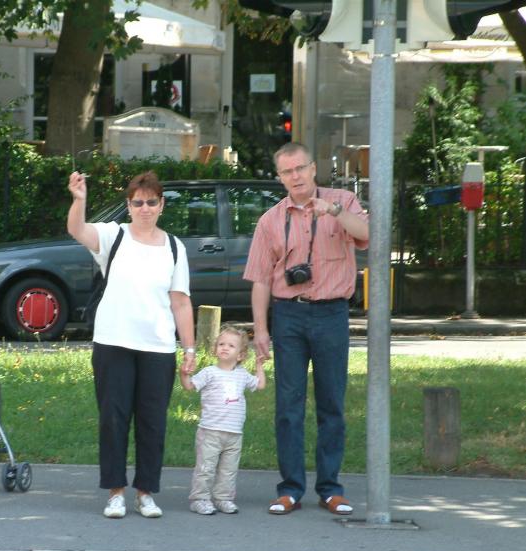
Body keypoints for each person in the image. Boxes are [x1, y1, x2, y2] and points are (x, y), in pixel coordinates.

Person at [243, 142, 369, 516]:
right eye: (287, 171)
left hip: (332, 314)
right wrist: (261, 330)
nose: (295, 176)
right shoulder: (270, 220)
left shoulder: (342, 200)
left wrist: (333, 212)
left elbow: (367, 233)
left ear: (313, 169)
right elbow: (260, 279)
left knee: (332, 403)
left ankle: (330, 488)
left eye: (300, 168)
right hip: (289, 316)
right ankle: (290, 489)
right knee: (288, 406)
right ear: (279, 177)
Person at [67, 170, 195, 519]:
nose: (145, 208)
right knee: (114, 418)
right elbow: (77, 230)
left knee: (153, 422)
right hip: (113, 342)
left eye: (151, 202)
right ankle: (115, 493)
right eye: (138, 203)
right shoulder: (115, 236)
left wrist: (189, 349)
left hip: (158, 348)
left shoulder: (174, 247)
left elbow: (181, 302)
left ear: (162, 205)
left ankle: (145, 493)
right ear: (129, 206)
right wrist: (79, 200)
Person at [180, 326, 265, 515]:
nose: (225, 347)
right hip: (210, 431)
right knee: (205, 468)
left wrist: (259, 366)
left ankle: (223, 498)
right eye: (221, 344)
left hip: (234, 433)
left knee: (229, 470)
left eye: (231, 346)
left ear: (241, 355)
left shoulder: (242, 374)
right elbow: (189, 386)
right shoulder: (209, 372)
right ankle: (199, 499)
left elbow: (259, 385)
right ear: (215, 348)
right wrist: (184, 373)